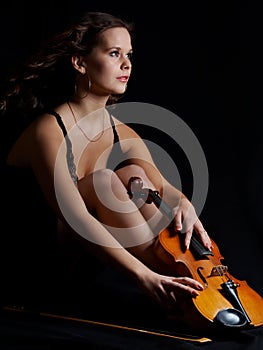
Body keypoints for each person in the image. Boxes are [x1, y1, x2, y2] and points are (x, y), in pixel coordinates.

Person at [0, 11, 212, 322]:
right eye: (114, 54)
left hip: (80, 262)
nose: (127, 64)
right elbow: (75, 218)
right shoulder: (48, 130)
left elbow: (164, 188)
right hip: (30, 271)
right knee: (105, 182)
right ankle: (181, 289)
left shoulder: (120, 132)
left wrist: (183, 202)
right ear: (80, 62)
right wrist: (142, 276)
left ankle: (189, 281)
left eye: (129, 55)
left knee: (133, 176)